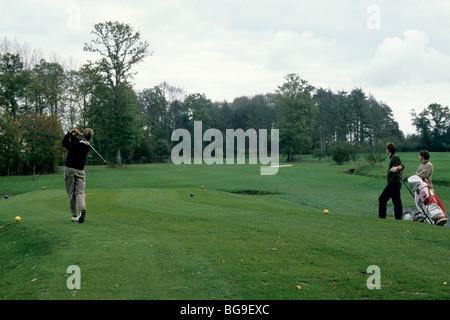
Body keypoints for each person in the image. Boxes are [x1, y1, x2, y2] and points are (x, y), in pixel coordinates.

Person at [62, 128, 94, 223]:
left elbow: (65, 142)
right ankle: (82, 208)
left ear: (83, 135)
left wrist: (70, 133)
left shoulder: (75, 145)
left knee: (71, 192)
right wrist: (77, 135)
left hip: (70, 170)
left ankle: (74, 215)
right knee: (80, 193)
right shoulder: (88, 146)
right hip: (80, 170)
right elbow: (78, 141)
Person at [378, 142, 404, 220]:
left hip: (394, 183)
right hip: (395, 183)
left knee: (382, 199)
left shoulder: (395, 157)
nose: (386, 151)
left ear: (388, 150)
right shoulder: (393, 157)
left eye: (386, 149)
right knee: (396, 201)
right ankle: (398, 218)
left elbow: (401, 166)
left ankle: (382, 218)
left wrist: (396, 168)